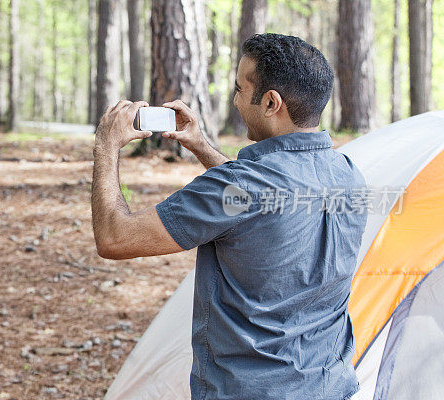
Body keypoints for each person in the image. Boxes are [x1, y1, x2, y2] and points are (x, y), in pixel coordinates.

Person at [91, 33, 367, 400]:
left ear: (271, 102)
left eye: (239, 89)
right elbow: (259, 200)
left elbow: (115, 238)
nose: (235, 100)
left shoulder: (241, 186)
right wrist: (202, 147)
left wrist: (106, 146)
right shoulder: (348, 174)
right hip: (330, 387)